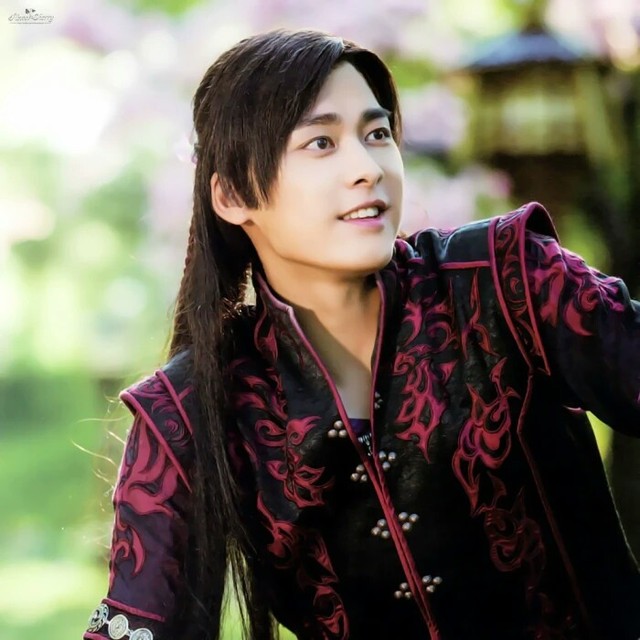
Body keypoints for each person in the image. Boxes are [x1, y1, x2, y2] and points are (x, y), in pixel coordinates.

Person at [83, 28, 640, 640]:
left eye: (377, 135)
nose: (368, 169)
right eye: (321, 142)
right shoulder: (188, 412)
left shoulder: (508, 280)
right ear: (235, 194)